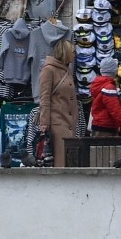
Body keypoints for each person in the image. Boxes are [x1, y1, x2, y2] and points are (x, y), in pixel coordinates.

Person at [36, 36, 78, 167]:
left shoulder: (67, 70)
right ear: (65, 52)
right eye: (73, 51)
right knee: (59, 162)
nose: (75, 55)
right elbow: (45, 98)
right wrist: (44, 123)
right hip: (57, 124)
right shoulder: (49, 70)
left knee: (69, 161)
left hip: (69, 123)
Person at [88, 56, 121, 135]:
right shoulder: (109, 88)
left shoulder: (99, 84)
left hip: (99, 125)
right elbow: (115, 110)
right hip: (106, 128)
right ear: (114, 71)